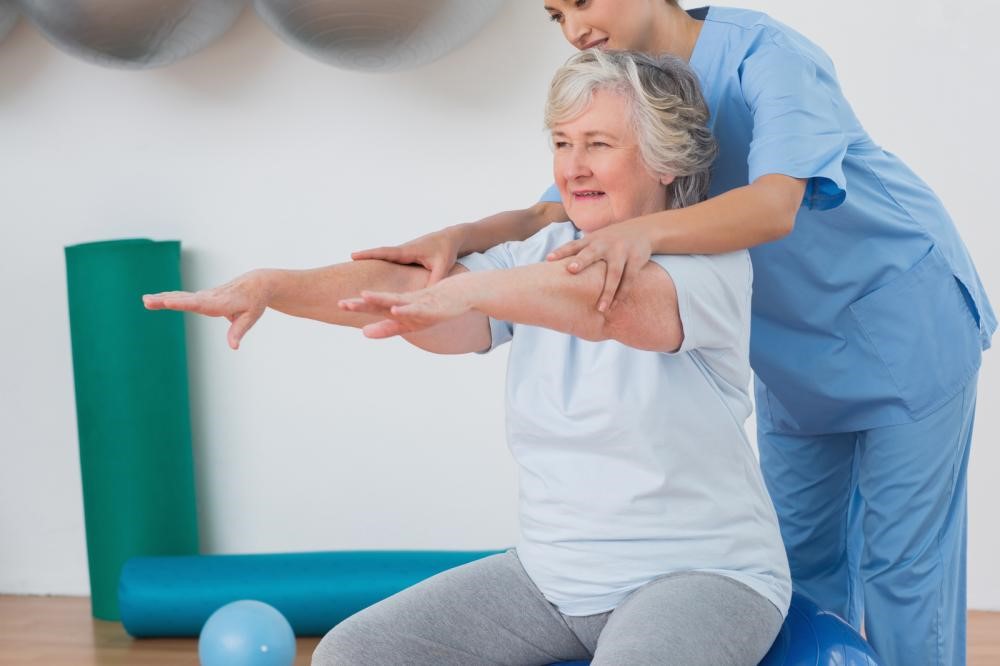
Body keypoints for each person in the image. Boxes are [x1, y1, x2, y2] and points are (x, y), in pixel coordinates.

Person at [352, 3, 995, 663]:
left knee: (902, 569)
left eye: (581, 2)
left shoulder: (766, 57)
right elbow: (554, 206)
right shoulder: (634, 88)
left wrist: (643, 232)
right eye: (555, 16)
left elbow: (776, 204)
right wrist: (461, 236)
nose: (573, 30)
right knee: (802, 564)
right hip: (791, 354)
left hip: (903, 325)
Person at [145, 49, 791, 665]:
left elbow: (607, 308)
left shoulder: (710, 261)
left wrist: (466, 289)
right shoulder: (536, 254)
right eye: (562, 144)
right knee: (351, 653)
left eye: (598, 144)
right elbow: (409, 294)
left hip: (701, 575)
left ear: (663, 160)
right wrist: (272, 285)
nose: (572, 167)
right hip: (550, 580)